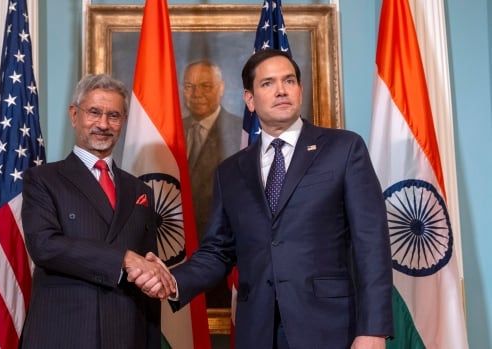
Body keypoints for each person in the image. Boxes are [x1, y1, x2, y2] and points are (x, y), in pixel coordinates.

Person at [143, 49, 394, 348]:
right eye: (268, 83)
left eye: (289, 80)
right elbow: (218, 251)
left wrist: (373, 330)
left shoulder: (344, 148)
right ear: (250, 100)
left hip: (330, 328)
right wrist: (172, 280)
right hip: (256, 330)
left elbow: (371, 243)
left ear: (299, 90)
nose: (281, 90)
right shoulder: (231, 171)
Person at [20, 74, 174, 348]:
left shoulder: (141, 191)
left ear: (123, 121)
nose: (103, 124)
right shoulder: (43, 179)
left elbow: (147, 268)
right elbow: (45, 246)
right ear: (74, 114)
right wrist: (124, 258)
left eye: (113, 116)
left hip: (128, 332)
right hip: (65, 333)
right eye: (94, 112)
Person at [182, 60, 242, 308]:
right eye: (189, 86)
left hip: (224, 259)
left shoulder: (242, 132)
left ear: (222, 87)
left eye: (206, 85)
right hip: (177, 252)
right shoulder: (169, 131)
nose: (196, 94)